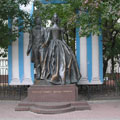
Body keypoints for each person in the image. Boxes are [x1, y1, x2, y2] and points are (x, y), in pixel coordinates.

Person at [41, 13, 81, 85]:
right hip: (52, 45)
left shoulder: (60, 29)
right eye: (54, 17)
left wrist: (67, 46)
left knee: (65, 58)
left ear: (57, 19)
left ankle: (61, 77)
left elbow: (63, 39)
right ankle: (52, 75)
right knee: (52, 60)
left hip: (60, 44)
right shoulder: (50, 29)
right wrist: (44, 44)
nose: (55, 18)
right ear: (52, 19)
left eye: (56, 17)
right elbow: (48, 38)